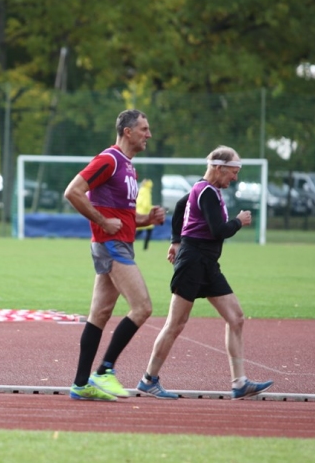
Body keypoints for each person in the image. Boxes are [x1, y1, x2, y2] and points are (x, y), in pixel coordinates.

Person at [138, 146, 274, 400]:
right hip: (193, 262)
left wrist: (175, 240)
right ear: (219, 167)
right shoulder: (207, 192)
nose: (235, 178)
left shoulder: (203, 190)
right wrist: (239, 221)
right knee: (175, 324)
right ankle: (148, 380)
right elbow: (218, 230)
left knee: (236, 317)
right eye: (233, 171)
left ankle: (239, 383)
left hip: (207, 264)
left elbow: (180, 207)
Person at [63, 109, 166, 402]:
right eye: (144, 129)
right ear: (128, 132)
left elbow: (122, 215)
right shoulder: (109, 159)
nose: (149, 134)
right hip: (110, 245)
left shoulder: (129, 166)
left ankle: (81, 384)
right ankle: (105, 370)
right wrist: (102, 222)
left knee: (100, 314)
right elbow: (73, 192)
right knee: (142, 307)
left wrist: (148, 219)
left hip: (120, 242)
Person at [137, 178, 155, 250]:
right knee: (149, 231)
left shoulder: (140, 190)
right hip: (146, 213)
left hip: (139, 212)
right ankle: (145, 247)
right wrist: (152, 207)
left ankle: (128, 241)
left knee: (139, 230)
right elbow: (146, 204)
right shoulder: (147, 191)